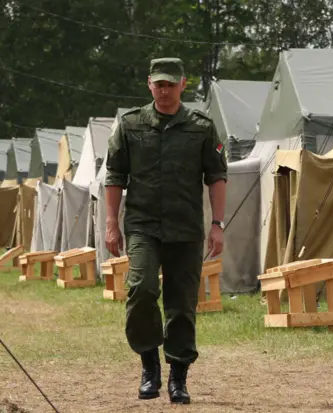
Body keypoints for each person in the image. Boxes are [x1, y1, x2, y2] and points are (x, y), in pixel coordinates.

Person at [104, 57, 227, 404]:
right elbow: (114, 177)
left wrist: (218, 225)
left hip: (185, 228)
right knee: (141, 290)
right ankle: (149, 365)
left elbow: (216, 176)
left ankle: (178, 376)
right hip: (142, 225)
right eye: (159, 83)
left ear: (183, 85)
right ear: (149, 84)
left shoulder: (201, 127)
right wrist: (112, 225)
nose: (164, 89)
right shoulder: (130, 125)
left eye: (171, 83)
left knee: (182, 304)